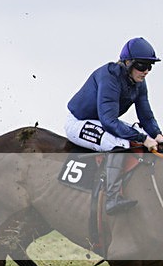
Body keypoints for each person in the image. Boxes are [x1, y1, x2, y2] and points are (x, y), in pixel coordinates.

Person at [65, 37, 163, 215]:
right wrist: (143, 138)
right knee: (121, 144)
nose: (146, 71)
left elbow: (146, 116)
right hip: (79, 122)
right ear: (127, 62)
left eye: (150, 66)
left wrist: (157, 134)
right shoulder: (109, 77)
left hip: (101, 121)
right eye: (142, 66)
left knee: (143, 136)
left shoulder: (139, 82)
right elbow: (109, 121)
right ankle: (112, 197)